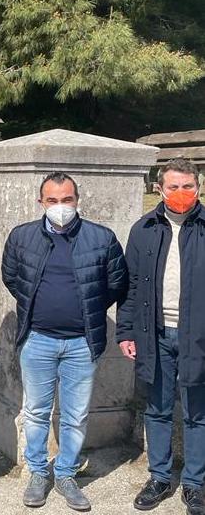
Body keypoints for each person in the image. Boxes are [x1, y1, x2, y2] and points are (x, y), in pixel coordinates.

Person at [2, 172, 128, 512]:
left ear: (77, 200)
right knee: (36, 412)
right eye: (53, 200)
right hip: (37, 340)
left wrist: (85, 309)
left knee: (75, 415)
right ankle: (38, 471)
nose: (61, 206)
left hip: (82, 344)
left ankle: (67, 473)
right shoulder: (22, 237)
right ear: (41, 202)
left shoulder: (102, 238)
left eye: (67, 199)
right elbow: (12, 278)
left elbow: (116, 284)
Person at [117, 158, 205, 515]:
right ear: (159, 189)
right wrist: (125, 331)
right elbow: (130, 286)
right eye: (174, 187)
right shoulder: (144, 229)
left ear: (198, 186)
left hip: (198, 335)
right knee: (158, 409)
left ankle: (195, 483)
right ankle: (160, 477)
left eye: (188, 186)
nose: (181, 193)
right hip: (154, 334)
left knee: (198, 412)